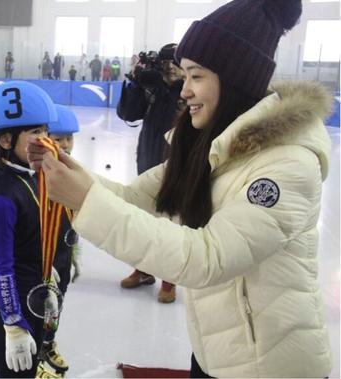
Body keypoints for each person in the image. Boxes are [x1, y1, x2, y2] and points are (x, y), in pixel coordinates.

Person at [27, 0, 333, 377]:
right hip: (216, 354)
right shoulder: (211, 146)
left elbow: (207, 258)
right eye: (184, 76)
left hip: (270, 366)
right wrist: (71, 172)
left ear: (236, 77)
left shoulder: (287, 164)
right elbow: (133, 199)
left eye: (196, 76)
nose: (184, 90)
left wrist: (84, 200)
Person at [0, 81, 59, 377]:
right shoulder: (1, 198)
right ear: (6, 141)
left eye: (46, 130)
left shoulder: (33, 176)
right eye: (35, 132)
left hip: (37, 301)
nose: (45, 139)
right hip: (13, 309)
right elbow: (1, 267)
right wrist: (12, 324)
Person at [116, 43, 184, 303]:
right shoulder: (152, 84)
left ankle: (170, 279)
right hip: (148, 156)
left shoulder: (191, 88)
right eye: (165, 62)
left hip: (178, 161)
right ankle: (143, 270)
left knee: (172, 221)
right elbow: (127, 113)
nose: (169, 67)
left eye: (175, 62)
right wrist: (136, 83)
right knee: (143, 217)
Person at [39, 104, 82, 377]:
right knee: (41, 308)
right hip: (43, 261)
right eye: (58, 138)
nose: (65, 144)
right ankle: (37, 356)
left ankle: (48, 344)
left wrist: (74, 253)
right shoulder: (38, 178)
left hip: (62, 257)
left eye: (69, 138)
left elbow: (73, 219)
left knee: (56, 306)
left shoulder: (70, 173)